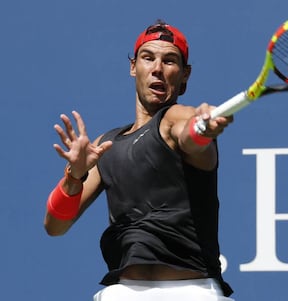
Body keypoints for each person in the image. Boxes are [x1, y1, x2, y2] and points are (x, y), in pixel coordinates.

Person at [43, 20, 235, 301]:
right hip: (124, 294)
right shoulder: (105, 145)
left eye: (170, 61)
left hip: (193, 293)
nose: (157, 68)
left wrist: (202, 127)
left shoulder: (175, 118)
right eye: (148, 58)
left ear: (184, 76)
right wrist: (74, 176)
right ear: (134, 67)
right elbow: (55, 226)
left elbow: (189, 136)